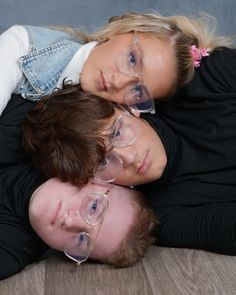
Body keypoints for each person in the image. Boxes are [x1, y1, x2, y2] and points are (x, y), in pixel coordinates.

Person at [24, 45, 236, 255]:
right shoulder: (168, 214)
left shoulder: (207, 80)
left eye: (117, 133)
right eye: (103, 163)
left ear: (127, 108)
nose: (130, 157)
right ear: (93, 182)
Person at [0, 94, 156, 280]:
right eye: (93, 208)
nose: (71, 223)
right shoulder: (37, 124)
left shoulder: (8, 251)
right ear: (98, 178)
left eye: (82, 240)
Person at [0, 11, 232, 116]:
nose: (118, 82)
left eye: (137, 91)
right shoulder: (23, 47)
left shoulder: (112, 128)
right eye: (132, 59)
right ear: (122, 30)